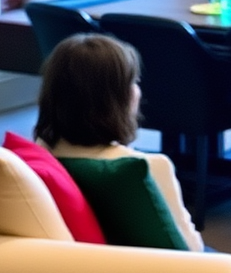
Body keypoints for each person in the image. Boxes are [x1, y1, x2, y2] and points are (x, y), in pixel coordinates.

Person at [34, 33, 203, 250]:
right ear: (118, 99)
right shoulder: (148, 166)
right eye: (134, 82)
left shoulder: (39, 155)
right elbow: (191, 248)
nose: (137, 91)